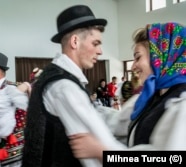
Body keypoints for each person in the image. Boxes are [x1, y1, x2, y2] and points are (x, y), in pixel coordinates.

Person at [69, 22, 186, 162]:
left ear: (159, 59)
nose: (133, 66)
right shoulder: (151, 97)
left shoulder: (181, 102)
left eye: (138, 57)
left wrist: (103, 153)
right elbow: (118, 122)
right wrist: (84, 105)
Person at [22, 4, 123, 167]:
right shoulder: (64, 87)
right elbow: (100, 151)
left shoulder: (55, 76)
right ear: (75, 41)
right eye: (96, 43)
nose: (100, 51)